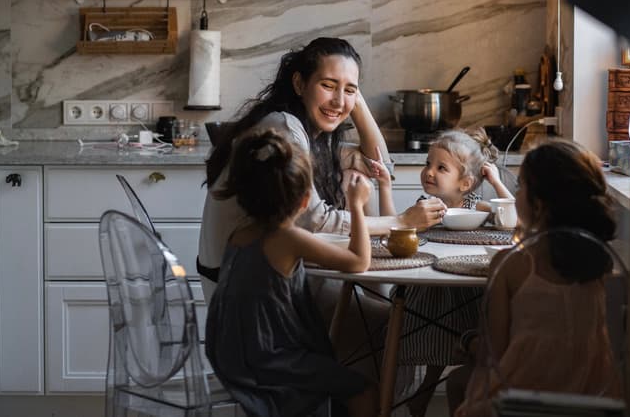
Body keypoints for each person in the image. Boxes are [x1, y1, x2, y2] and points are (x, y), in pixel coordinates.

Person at [198, 37, 447, 297]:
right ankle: (382, 306)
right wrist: (401, 221)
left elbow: (379, 166)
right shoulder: (283, 128)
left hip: (265, 272)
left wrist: (353, 100)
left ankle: (380, 301)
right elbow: (315, 220)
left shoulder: (308, 133)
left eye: (350, 91)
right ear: (299, 83)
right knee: (387, 328)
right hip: (244, 286)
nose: (339, 102)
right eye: (328, 85)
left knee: (355, 175)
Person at [205, 128, 379, 417]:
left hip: (232, 356)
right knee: (363, 389)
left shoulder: (239, 235)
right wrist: (357, 204)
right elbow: (359, 261)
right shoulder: (288, 238)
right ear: (304, 201)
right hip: (271, 361)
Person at [447, 139, 622, 417]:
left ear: (538, 205)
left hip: (523, 401)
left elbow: (493, 354)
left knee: (459, 386)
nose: (516, 195)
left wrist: (467, 342)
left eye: (520, 187)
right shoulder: (599, 261)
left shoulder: (511, 264)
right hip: (592, 400)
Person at [371, 128, 514, 417]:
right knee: (435, 327)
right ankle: (423, 393)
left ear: (465, 183)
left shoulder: (479, 208)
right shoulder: (424, 208)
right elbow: (394, 230)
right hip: (427, 291)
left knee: (461, 330)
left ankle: (446, 395)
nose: (429, 172)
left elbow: (514, 219)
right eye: (428, 163)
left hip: (464, 291)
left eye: (441, 168)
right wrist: (385, 186)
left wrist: (496, 181)